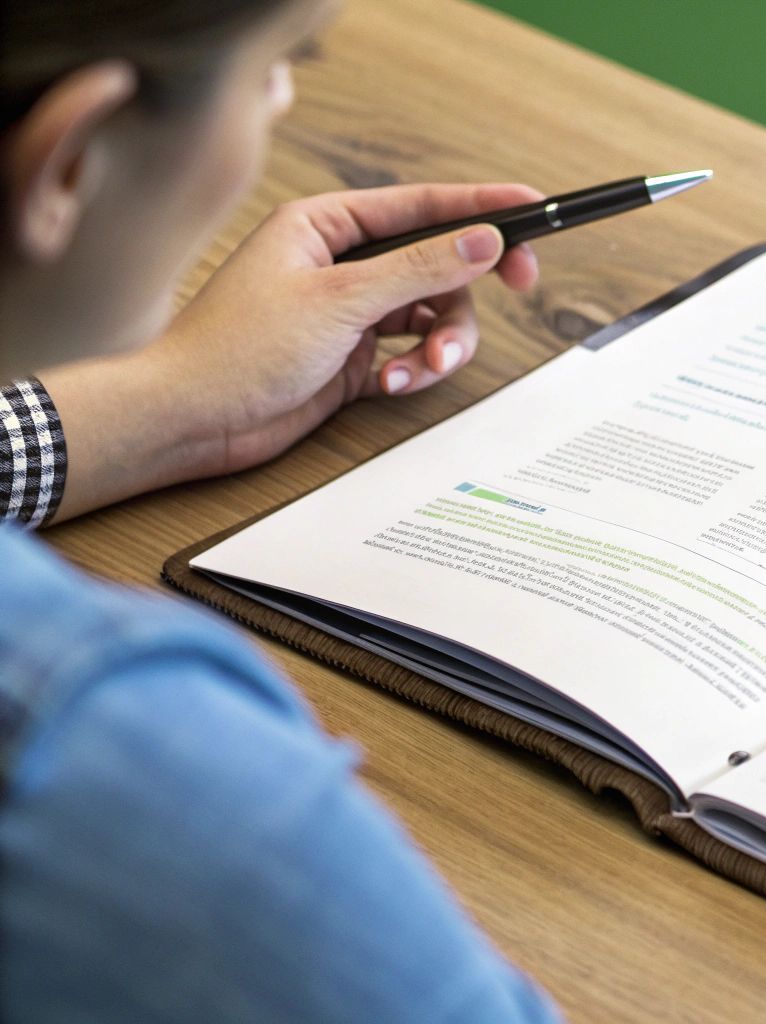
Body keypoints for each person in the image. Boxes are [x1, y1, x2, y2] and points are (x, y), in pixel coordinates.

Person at [1, 0, 564, 1019]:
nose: (282, 100)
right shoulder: (132, 771)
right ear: (73, 161)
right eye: (272, 66)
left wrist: (159, 407)